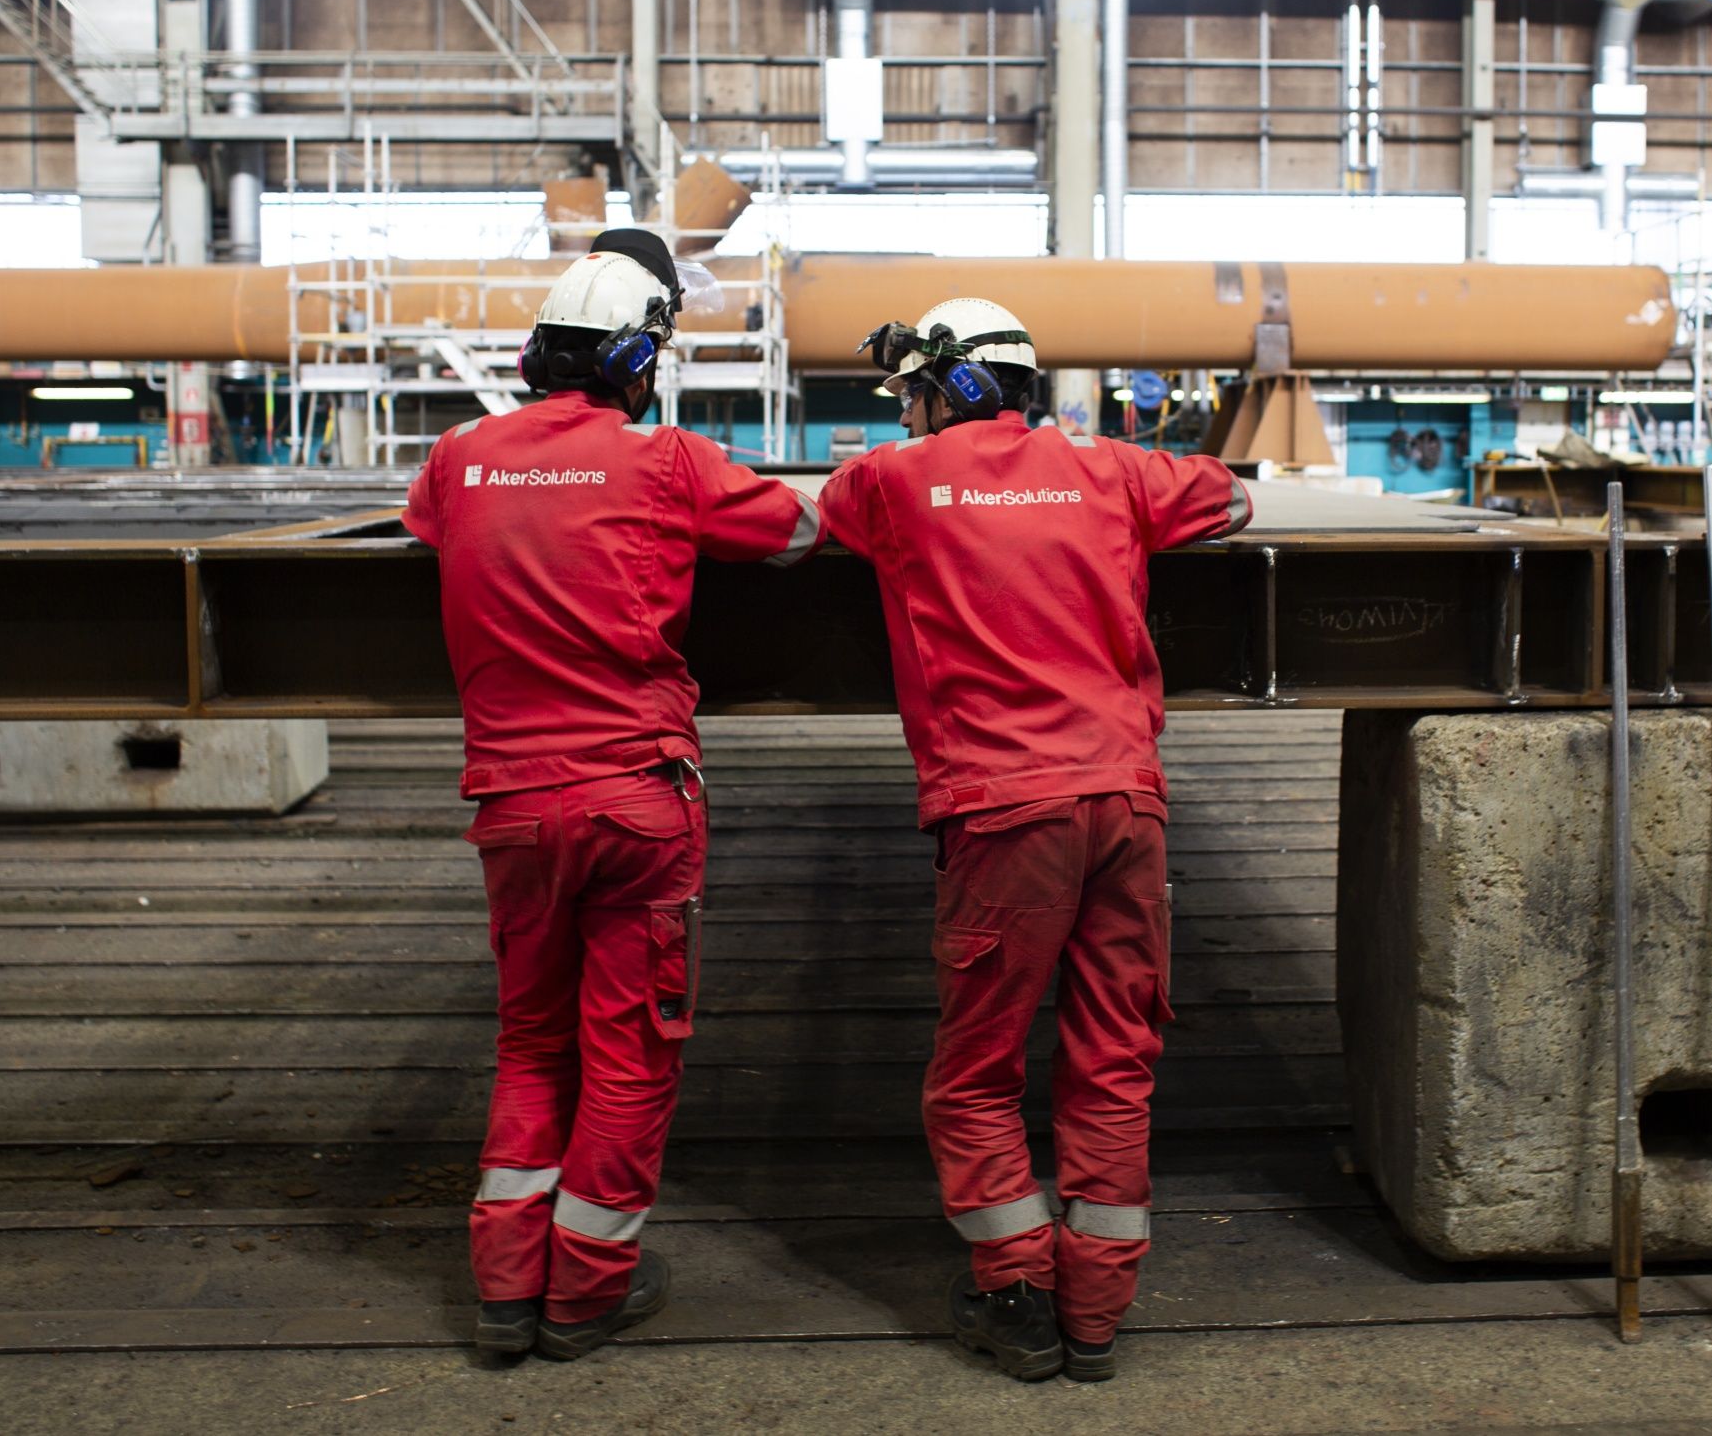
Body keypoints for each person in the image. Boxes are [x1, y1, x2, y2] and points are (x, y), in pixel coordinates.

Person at [401, 228, 821, 1364]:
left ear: (538, 352)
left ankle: (505, 1286)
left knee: (532, 1042)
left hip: (511, 806)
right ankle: (584, 1289)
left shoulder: (454, 459)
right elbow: (796, 529)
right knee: (630, 1050)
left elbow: (430, 529)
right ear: (639, 362)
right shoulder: (667, 460)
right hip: (636, 799)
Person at [816, 299, 1253, 1384]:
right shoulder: (1109, 467)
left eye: (913, 393)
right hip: (1124, 802)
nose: (908, 415)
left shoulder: (891, 483)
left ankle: (1014, 1293)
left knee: (974, 1069)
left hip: (1003, 811)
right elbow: (1233, 496)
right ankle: (1096, 1315)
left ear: (944, 391)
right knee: (1114, 1058)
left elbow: (817, 514)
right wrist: (1086, 470)